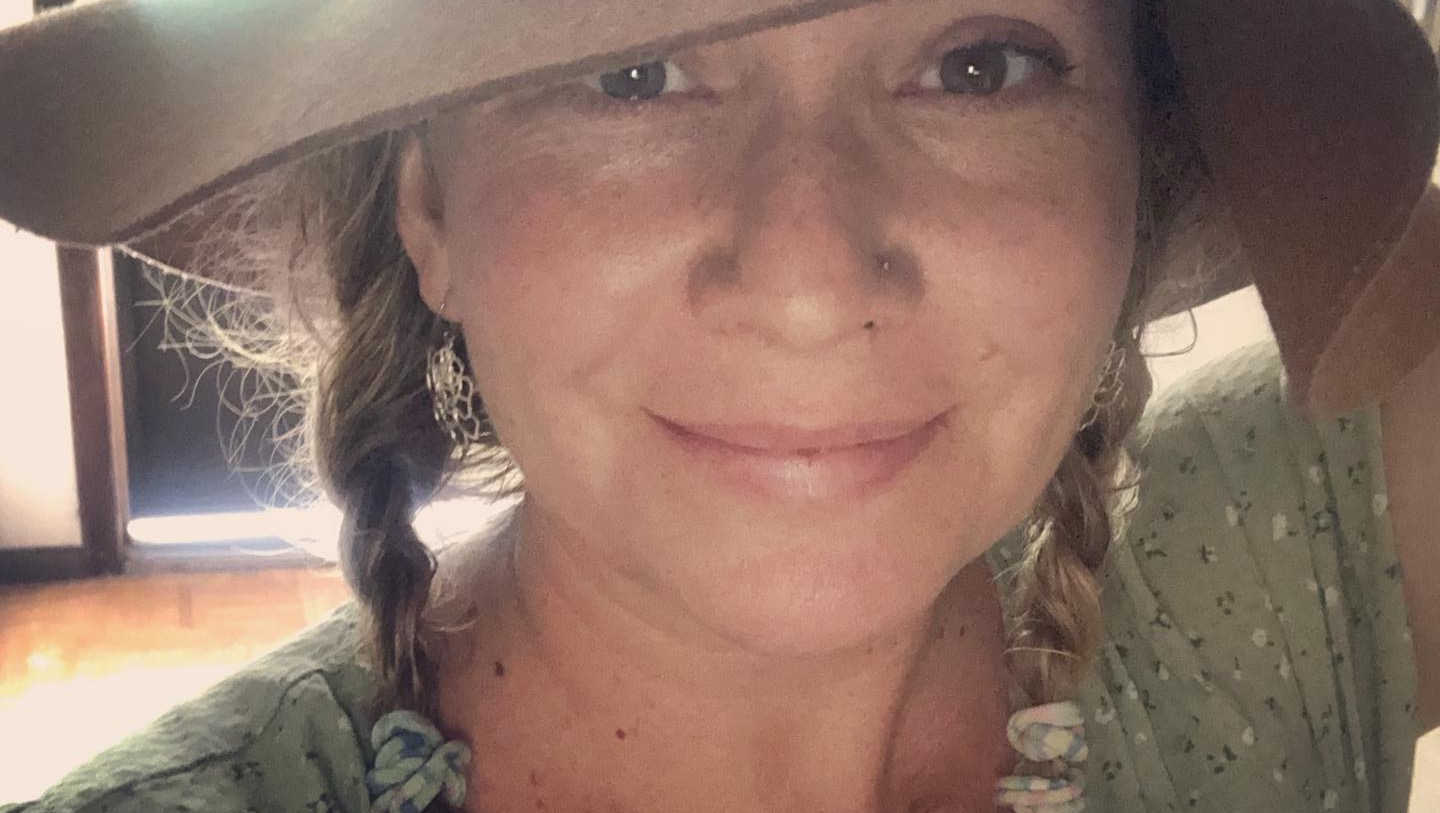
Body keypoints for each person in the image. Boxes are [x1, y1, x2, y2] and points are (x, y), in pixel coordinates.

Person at [0, 0, 1437, 811]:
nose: (808, 279)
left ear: (1140, 165)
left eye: (976, 66)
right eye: (631, 76)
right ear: (427, 206)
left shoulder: (1284, 537)